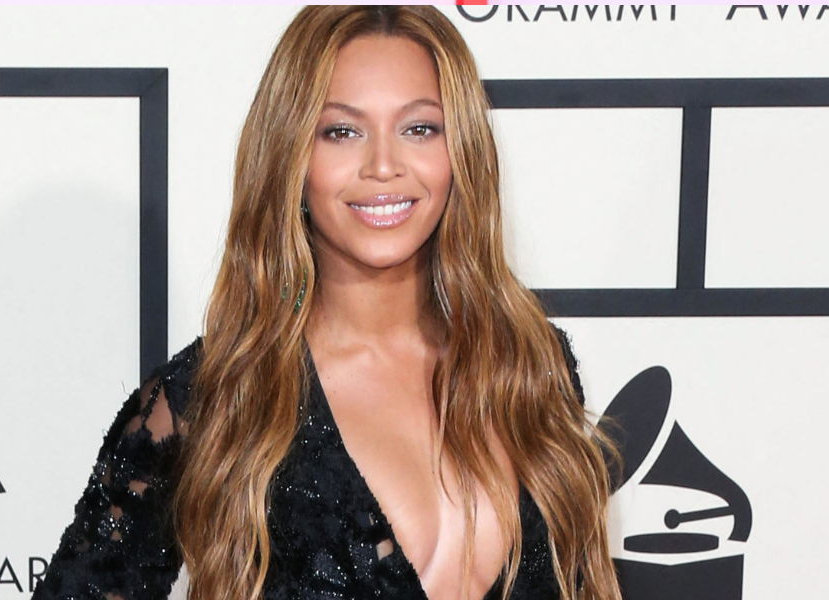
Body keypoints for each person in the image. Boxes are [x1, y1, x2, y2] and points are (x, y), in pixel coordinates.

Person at [31, 6, 619, 600]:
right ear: (291, 155)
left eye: (420, 128)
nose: (384, 166)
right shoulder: (214, 394)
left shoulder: (531, 364)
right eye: (342, 131)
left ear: (461, 150)